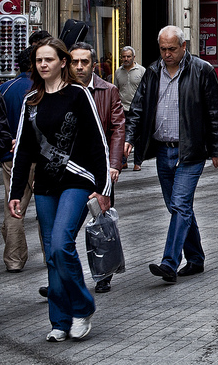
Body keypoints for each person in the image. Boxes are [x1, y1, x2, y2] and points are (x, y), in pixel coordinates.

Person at [8, 38, 110, 342]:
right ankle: (59, 321)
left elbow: (97, 142)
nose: (43, 65)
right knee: (52, 256)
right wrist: (15, 193)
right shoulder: (31, 100)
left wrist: (104, 187)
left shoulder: (78, 94)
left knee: (60, 245)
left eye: (49, 60)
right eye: (39, 61)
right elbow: (23, 152)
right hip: (46, 187)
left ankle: (82, 307)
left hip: (78, 183)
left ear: (62, 62)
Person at [124, 26, 218, 284]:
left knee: (179, 205)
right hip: (162, 150)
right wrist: (128, 139)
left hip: (189, 151)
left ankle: (169, 262)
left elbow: (216, 112)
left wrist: (217, 150)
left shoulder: (202, 70)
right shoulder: (152, 72)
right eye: (162, 49)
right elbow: (137, 109)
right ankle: (195, 258)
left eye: (171, 49)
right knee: (178, 207)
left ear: (183, 47)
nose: (167, 54)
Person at [69, 43, 125, 294]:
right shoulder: (59, 91)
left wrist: (114, 165)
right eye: (74, 62)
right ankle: (60, 277)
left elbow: (117, 129)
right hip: (68, 170)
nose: (79, 67)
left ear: (94, 64)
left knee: (101, 224)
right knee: (63, 229)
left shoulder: (108, 90)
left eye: (84, 62)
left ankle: (104, 274)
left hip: (99, 170)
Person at [0, 47, 31, 272]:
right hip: (41, 157)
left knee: (14, 205)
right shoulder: (42, 89)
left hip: (11, 157)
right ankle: (53, 255)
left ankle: (14, 259)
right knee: (48, 209)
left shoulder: (4, 88)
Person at [113, 46, 144, 114]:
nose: (126, 59)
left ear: (134, 57)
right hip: (122, 108)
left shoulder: (142, 71)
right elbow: (115, 91)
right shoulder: (118, 72)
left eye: (128, 56)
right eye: (124, 57)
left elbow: (145, 91)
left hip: (137, 108)